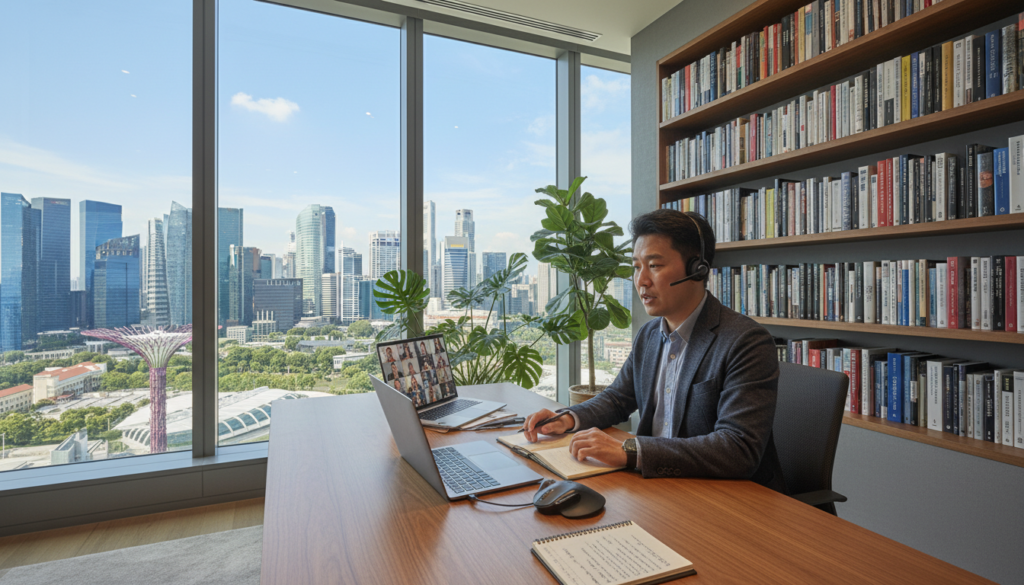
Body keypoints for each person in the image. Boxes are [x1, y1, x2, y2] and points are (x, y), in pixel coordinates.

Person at [523, 210, 786, 493]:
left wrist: (631, 450)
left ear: (697, 269)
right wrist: (567, 418)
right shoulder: (649, 335)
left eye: (655, 266)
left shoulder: (745, 341)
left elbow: (738, 448)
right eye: (636, 267)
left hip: (729, 497)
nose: (641, 281)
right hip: (659, 487)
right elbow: (618, 398)